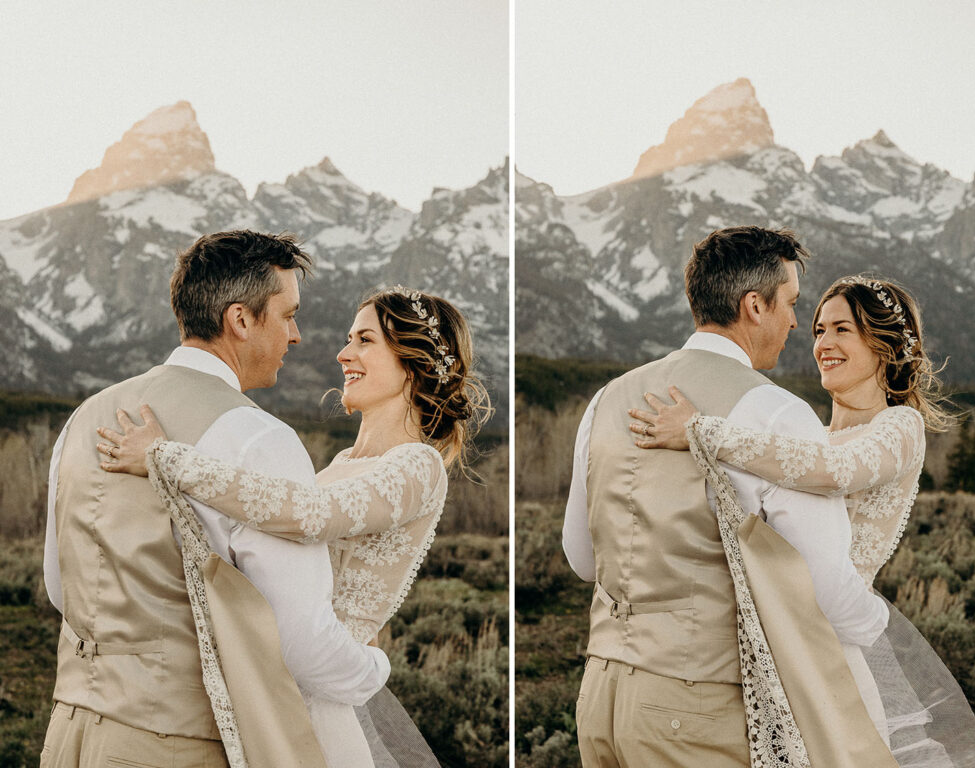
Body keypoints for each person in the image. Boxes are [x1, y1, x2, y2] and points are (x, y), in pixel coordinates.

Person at [95, 286, 491, 767]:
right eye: (349, 338)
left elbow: (312, 516)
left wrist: (168, 458)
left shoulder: (418, 464)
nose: (344, 353)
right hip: (269, 681)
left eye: (365, 340)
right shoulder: (344, 461)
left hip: (318, 693)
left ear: (412, 360)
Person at [41, 230, 389, 768]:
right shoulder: (257, 438)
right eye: (287, 314)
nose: (295, 335)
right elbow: (297, 639)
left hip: (70, 734)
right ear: (241, 320)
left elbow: (62, 589)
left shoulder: (84, 418)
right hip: (176, 745)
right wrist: (375, 669)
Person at [561, 226, 895, 768]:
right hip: (698, 707)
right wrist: (877, 628)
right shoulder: (778, 414)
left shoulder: (604, 401)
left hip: (602, 698)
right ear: (754, 305)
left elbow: (581, 559)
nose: (794, 322)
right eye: (790, 303)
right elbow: (825, 590)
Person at [628, 275, 975, 767]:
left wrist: (702, 430)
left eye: (842, 329)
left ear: (883, 344)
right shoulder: (806, 438)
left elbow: (834, 471)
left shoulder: (899, 426)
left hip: (831, 652)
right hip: (766, 648)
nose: (824, 343)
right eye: (819, 330)